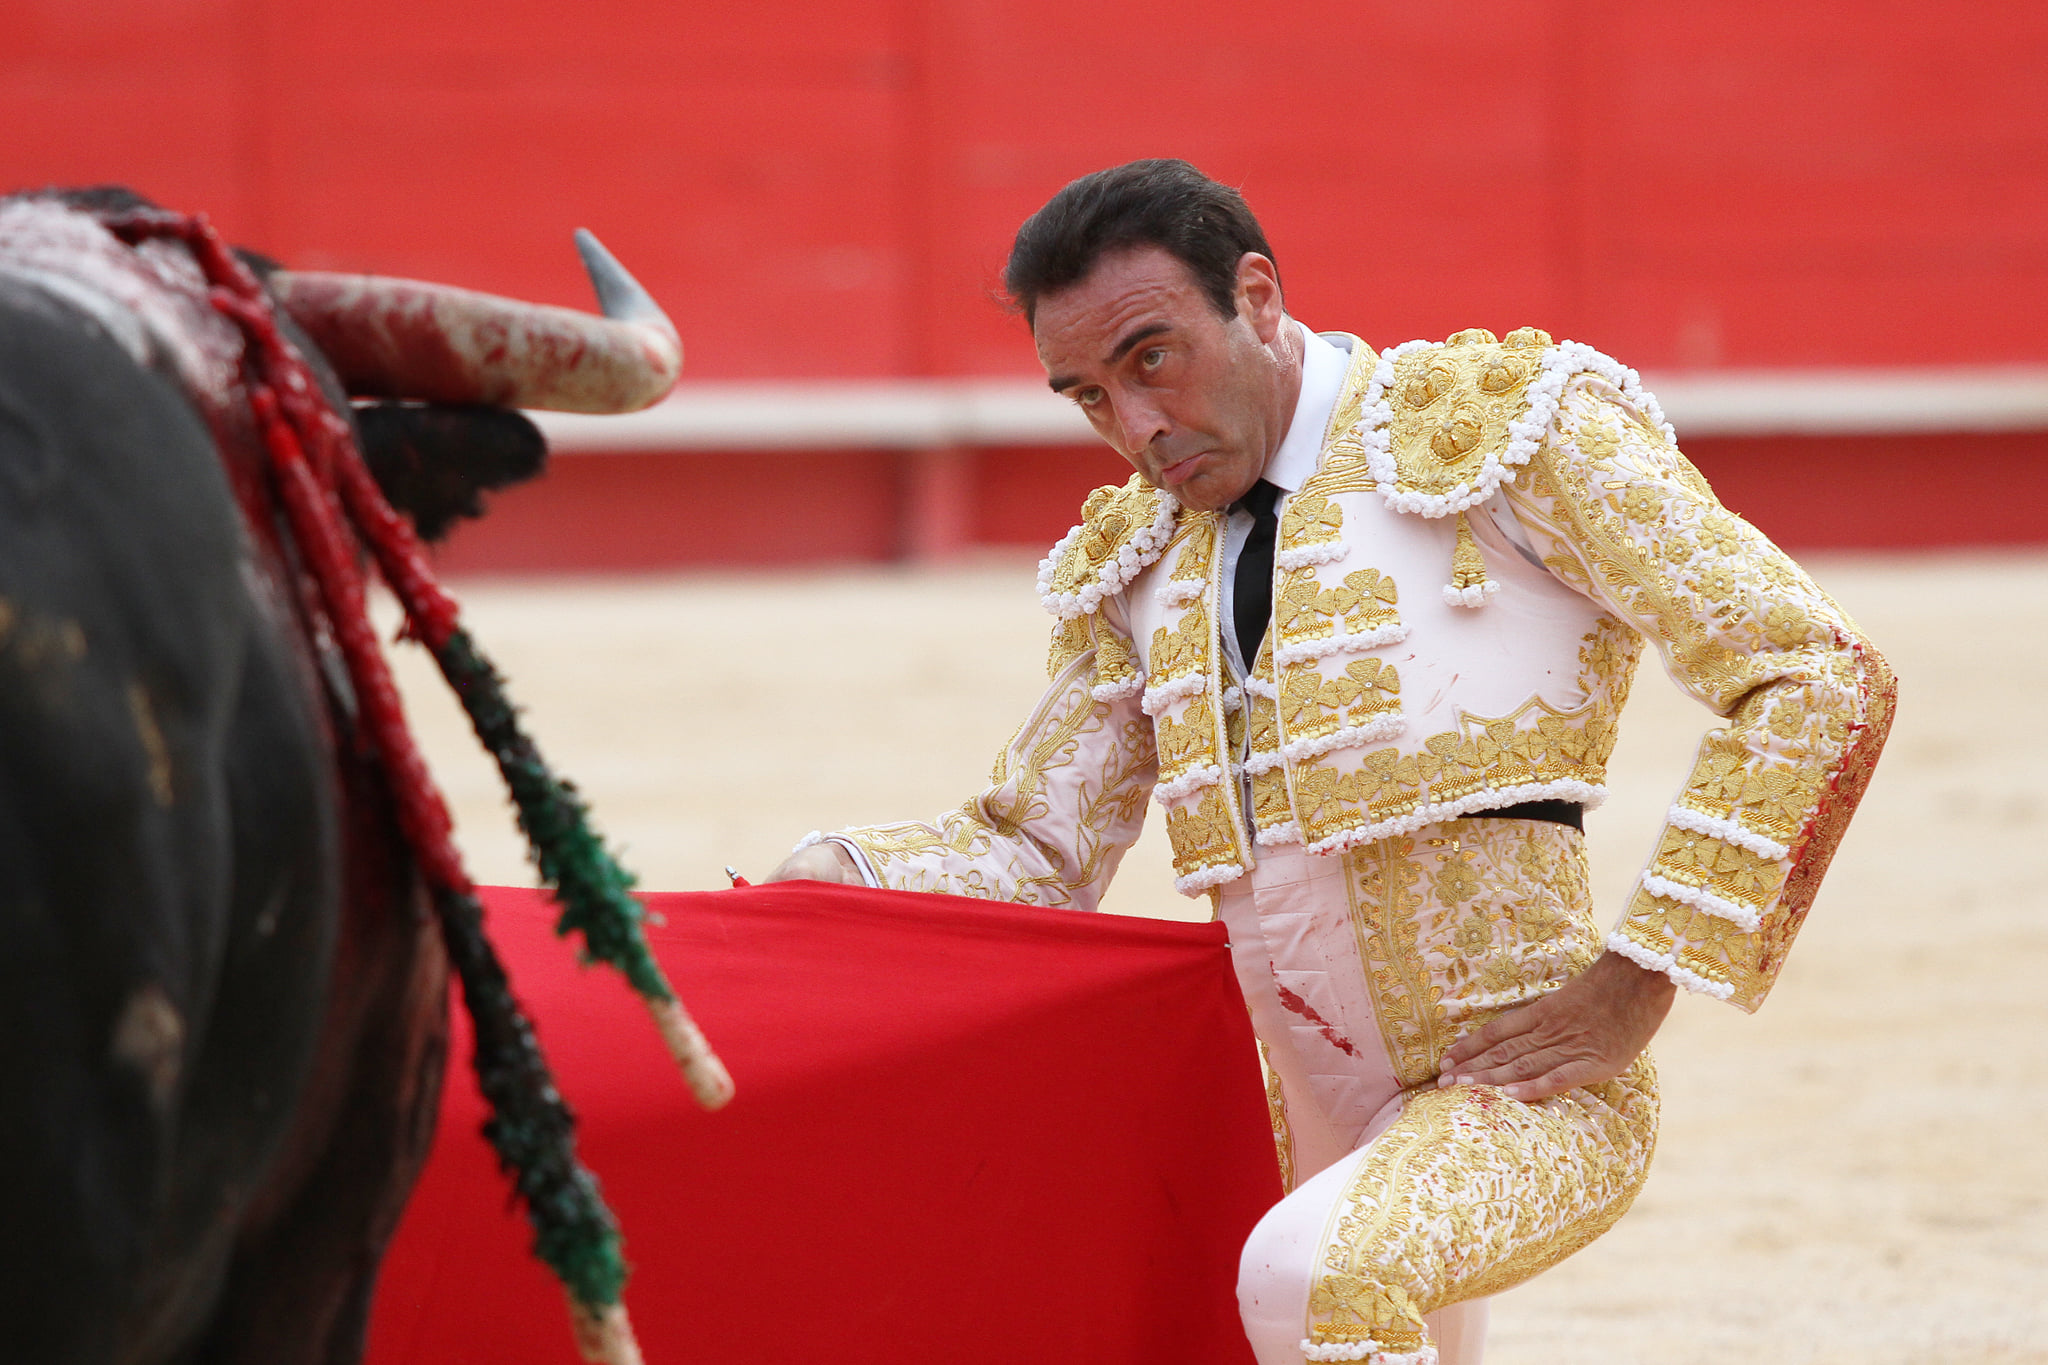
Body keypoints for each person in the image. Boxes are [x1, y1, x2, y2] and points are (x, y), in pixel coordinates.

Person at [769, 159, 1895, 1365]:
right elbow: (1034, 849)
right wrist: (813, 890)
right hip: (1266, 1097)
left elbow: (1817, 672)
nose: (1134, 430)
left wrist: (1639, 977)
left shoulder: (1498, 434)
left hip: (1517, 1094)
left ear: (1254, 297)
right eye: (1087, 396)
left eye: (1151, 359)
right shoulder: (1141, 556)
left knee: (1313, 1280)